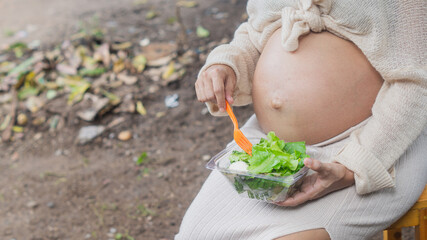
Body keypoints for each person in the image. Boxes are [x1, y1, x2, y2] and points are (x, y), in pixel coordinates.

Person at [176, 0, 427, 239]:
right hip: (267, 150)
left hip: (376, 147)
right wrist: (226, 65)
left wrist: (353, 167)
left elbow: (416, 81)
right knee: (194, 235)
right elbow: (256, 33)